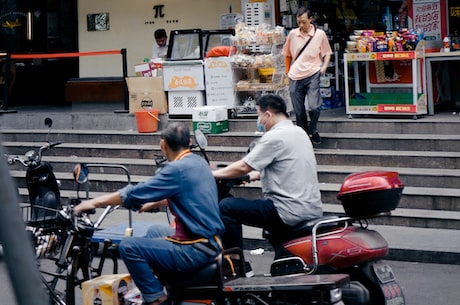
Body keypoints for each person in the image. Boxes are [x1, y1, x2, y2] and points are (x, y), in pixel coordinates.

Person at [74, 122, 224, 305]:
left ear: (163, 145)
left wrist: (93, 202)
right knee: (153, 231)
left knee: (129, 246)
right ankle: (163, 284)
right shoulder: (198, 163)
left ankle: (155, 297)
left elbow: (134, 193)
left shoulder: (176, 169)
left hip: (194, 249)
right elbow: (186, 193)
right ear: (190, 141)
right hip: (211, 241)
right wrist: (153, 203)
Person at [212, 94, 323, 268]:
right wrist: (257, 174)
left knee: (226, 207)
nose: (259, 120)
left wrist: (214, 175)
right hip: (309, 206)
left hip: (287, 209)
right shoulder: (298, 132)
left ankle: (235, 263)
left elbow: (243, 167)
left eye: (259, 115)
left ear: (268, 114)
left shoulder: (275, 136)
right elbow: (287, 164)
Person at [283, 7, 333, 144]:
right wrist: (288, 71)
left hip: (313, 72)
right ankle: (304, 137)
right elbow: (287, 54)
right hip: (295, 75)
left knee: (314, 107)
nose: (301, 25)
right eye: (298, 22)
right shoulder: (293, 34)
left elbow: (327, 52)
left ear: (310, 19)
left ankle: (313, 129)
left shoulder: (320, 34)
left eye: (303, 22)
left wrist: (324, 66)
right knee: (299, 112)